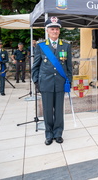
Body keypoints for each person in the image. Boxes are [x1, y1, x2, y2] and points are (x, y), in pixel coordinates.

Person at [32, 17, 72, 146]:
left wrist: (69, 81)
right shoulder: (41, 46)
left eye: (56, 29)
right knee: (48, 110)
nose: (54, 31)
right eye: (52, 29)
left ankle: (58, 133)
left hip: (60, 82)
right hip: (46, 83)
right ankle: (49, 134)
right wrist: (36, 81)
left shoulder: (66, 45)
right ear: (47, 30)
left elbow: (69, 66)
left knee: (59, 110)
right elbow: (35, 66)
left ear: (59, 31)